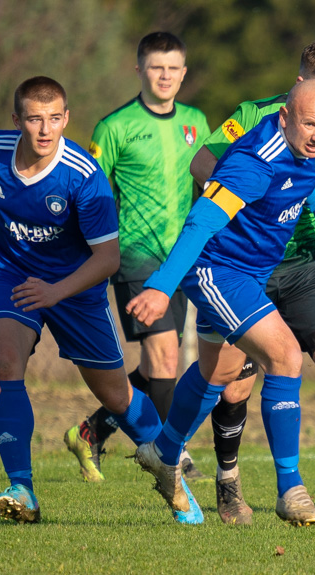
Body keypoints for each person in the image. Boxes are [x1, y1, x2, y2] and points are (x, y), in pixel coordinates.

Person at [189, 34, 315, 529]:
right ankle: (228, 478)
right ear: (301, 83)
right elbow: (200, 161)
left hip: (305, 267)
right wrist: (248, 190)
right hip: (243, 265)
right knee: (231, 382)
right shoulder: (258, 116)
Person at [128, 79, 315, 526]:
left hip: (247, 273)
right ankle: (291, 490)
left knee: (219, 371)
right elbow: (202, 221)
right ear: (285, 118)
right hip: (218, 272)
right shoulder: (252, 163)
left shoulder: (305, 146)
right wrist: (161, 286)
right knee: (286, 356)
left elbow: (302, 178)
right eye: (310, 124)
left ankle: (162, 452)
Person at [0, 76, 163, 524]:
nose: (45, 129)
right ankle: (22, 489)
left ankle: (172, 469)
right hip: (10, 274)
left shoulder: (84, 176)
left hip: (76, 285)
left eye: (55, 118)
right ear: (17, 121)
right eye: (34, 119)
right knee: (5, 362)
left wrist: (55, 291)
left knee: (116, 397)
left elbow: (107, 258)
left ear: (67, 118)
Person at [63, 31, 212, 483]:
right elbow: (88, 194)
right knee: (166, 357)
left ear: (184, 74)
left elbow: (209, 185)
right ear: (139, 70)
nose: (165, 76)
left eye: (173, 68)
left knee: (154, 367)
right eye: (156, 67)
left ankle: (90, 430)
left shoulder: (197, 122)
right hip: (133, 254)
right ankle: (172, 458)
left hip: (181, 257)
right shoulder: (114, 126)